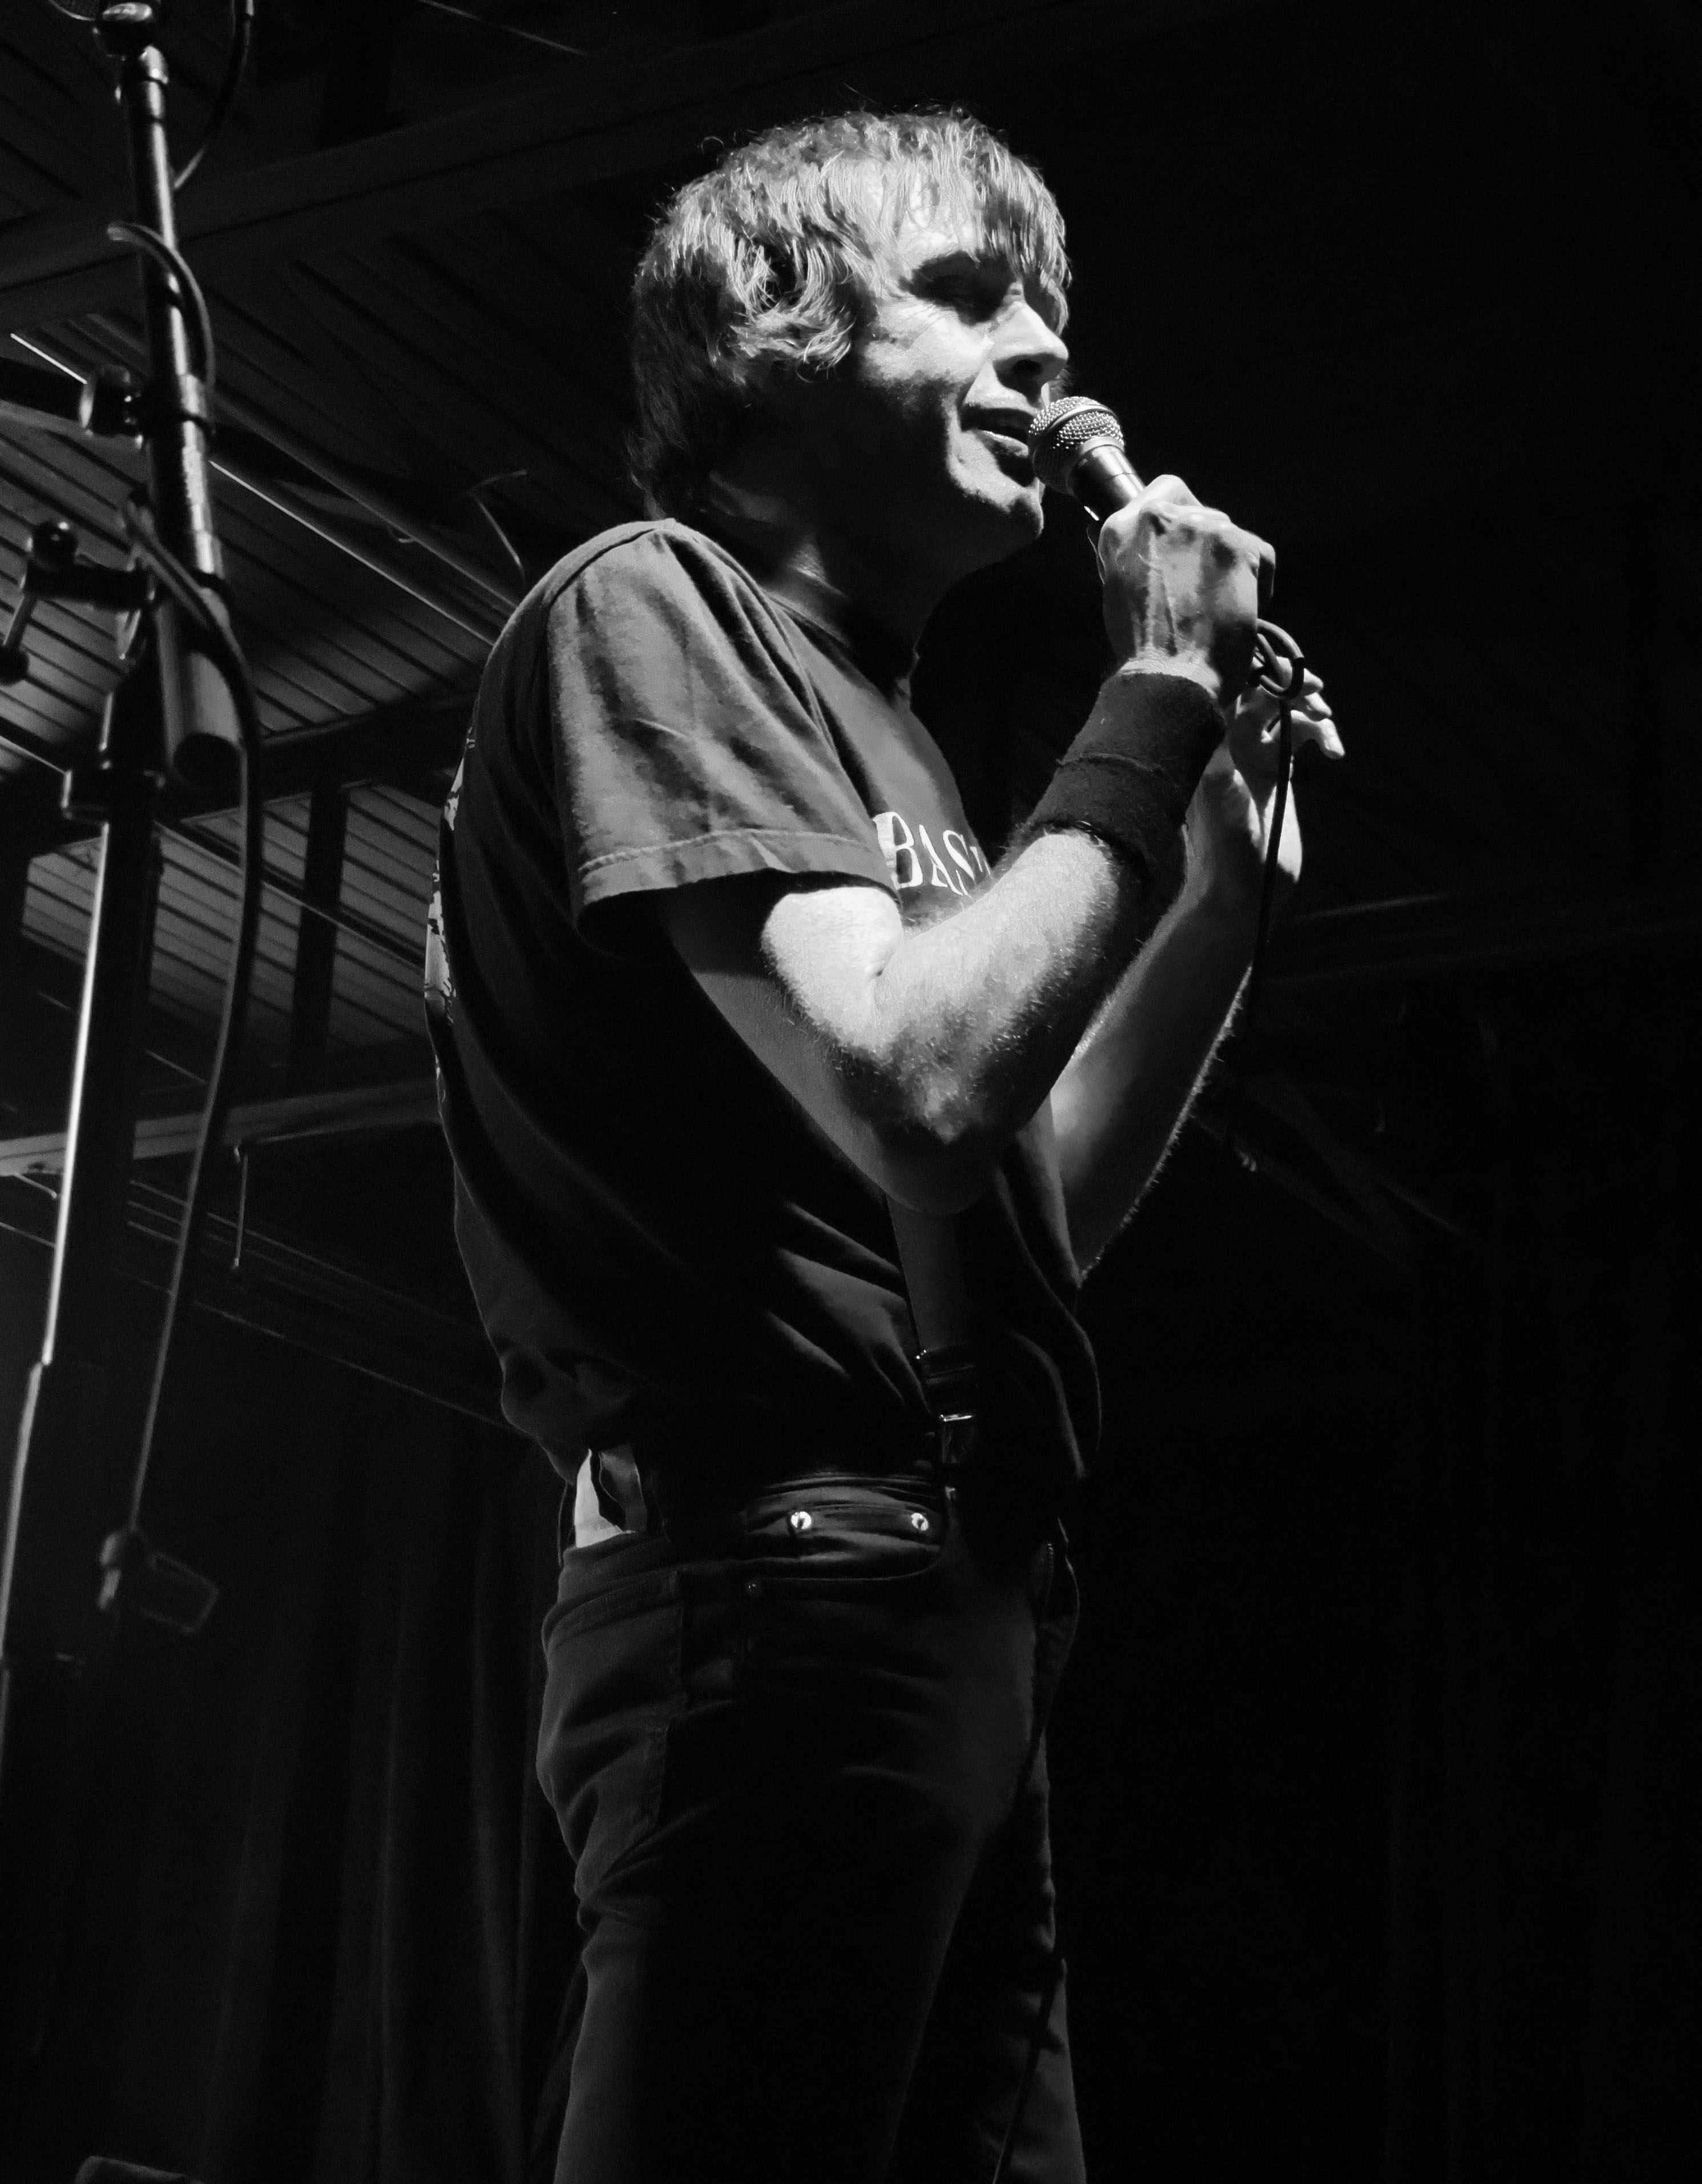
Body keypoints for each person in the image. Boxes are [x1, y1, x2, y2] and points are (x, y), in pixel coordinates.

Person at [425, 107, 1338, 2184]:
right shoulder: (650, 608)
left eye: (1057, 311)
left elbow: (1024, 1206)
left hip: (948, 1611)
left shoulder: (899, 737)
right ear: (766, 339)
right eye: (969, 295)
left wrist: (1213, 887)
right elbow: (924, 1085)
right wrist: (1164, 685)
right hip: (779, 1588)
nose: (1052, 363)